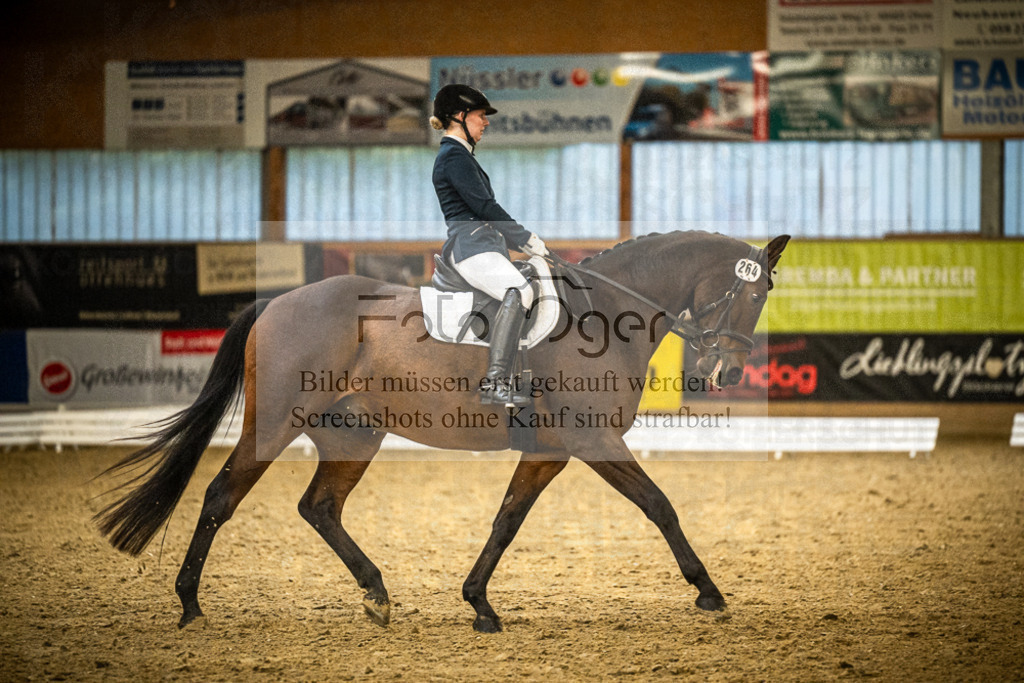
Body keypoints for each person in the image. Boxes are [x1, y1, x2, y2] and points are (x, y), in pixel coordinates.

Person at [429, 84, 549, 406]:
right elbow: (485, 207)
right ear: (459, 116)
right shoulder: (453, 157)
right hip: (471, 247)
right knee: (520, 291)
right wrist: (525, 237)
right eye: (481, 116)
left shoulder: (462, 156)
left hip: (484, 244)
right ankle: (495, 382)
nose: (486, 122)